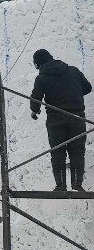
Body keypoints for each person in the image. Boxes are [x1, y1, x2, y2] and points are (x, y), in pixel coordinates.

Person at [30, 49, 92, 191]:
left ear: (38, 64)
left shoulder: (42, 78)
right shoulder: (74, 71)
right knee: (77, 150)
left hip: (55, 119)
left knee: (57, 151)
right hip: (76, 117)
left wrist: (35, 111)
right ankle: (77, 184)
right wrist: (74, 94)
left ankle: (60, 185)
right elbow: (88, 88)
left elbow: (36, 99)